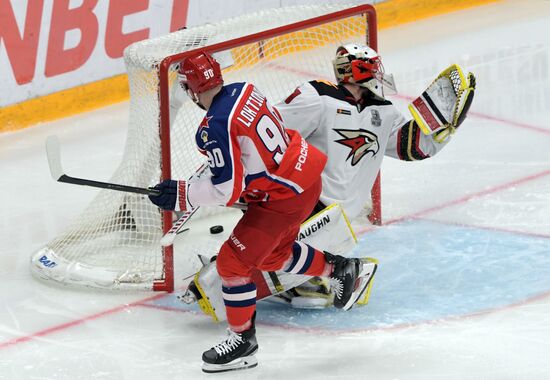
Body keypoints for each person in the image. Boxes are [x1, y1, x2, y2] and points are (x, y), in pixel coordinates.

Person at [148, 51, 374, 373]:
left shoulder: (214, 127)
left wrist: (183, 193)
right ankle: (339, 269)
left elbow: (226, 189)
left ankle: (243, 343)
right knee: (270, 256)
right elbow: (252, 154)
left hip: (283, 197)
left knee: (233, 262)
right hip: (304, 178)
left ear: (192, 88)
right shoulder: (245, 89)